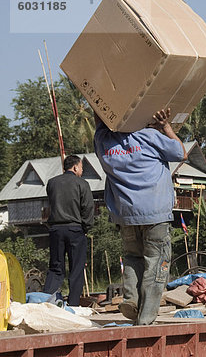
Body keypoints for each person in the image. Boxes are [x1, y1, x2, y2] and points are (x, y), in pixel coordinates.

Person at [94, 109, 187, 325]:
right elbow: (181, 153)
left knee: (133, 258)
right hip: (155, 213)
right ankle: (145, 319)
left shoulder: (104, 142)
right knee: (156, 264)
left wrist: (101, 106)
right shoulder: (150, 136)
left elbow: (99, 116)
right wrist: (165, 126)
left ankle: (131, 297)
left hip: (125, 214)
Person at [43, 155, 94, 306]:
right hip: (75, 229)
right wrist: (86, 227)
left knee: (55, 268)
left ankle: (46, 302)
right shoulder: (82, 183)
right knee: (76, 269)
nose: (82, 171)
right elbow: (88, 208)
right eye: (81, 168)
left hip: (56, 229)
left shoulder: (52, 183)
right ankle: (73, 304)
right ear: (75, 167)